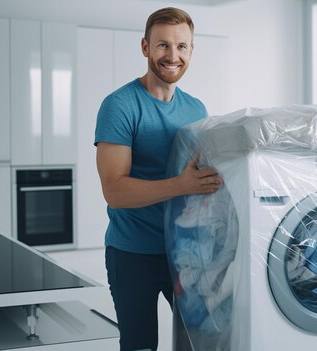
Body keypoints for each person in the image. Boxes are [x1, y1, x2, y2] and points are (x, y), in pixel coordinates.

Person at [94, 7, 222, 351]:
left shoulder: (197, 109)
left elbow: (200, 183)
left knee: (199, 342)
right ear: (145, 47)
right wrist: (180, 186)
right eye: (162, 45)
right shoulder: (119, 106)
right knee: (140, 345)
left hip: (186, 253)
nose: (173, 55)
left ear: (191, 51)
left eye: (182, 46)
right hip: (133, 253)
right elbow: (114, 190)